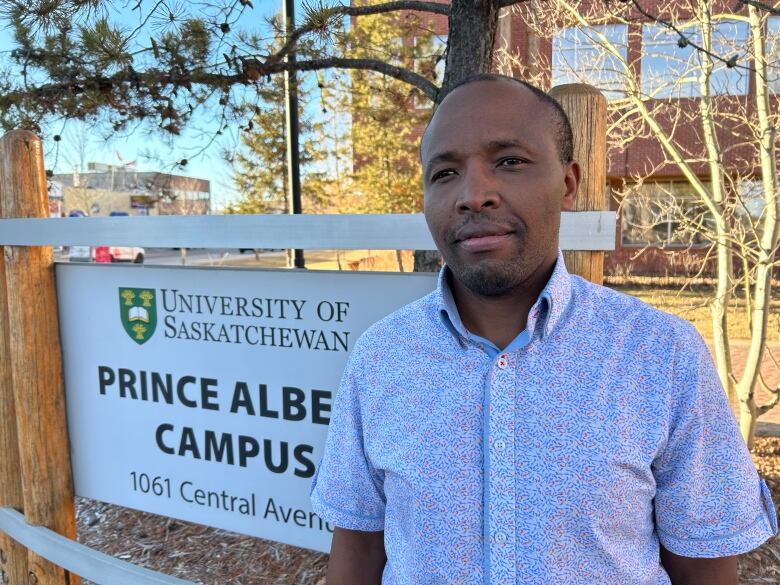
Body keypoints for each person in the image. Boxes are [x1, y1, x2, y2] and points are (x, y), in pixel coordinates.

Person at [310, 74, 777, 584]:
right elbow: (357, 545)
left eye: (509, 162)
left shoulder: (660, 354)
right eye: (444, 172)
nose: (474, 194)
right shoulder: (381, 357)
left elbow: (704, 566)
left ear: (569, 183)